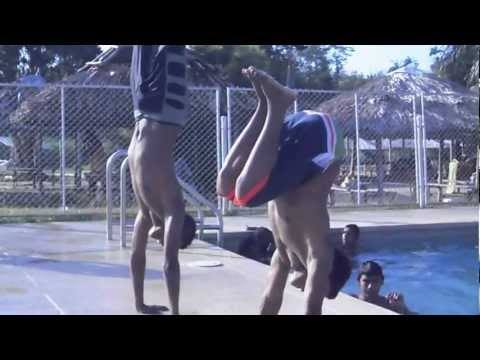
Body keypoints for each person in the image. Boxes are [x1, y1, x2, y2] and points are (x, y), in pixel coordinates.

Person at [217, 67, 346, 315]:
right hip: (324, 140)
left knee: (226, 185)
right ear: (326, 278)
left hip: (307, 133)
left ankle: (265, 106)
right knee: (245, 193)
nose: (303, 289)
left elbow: (270, 298)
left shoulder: (283, 254)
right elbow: (312, 308)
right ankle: (278, 104)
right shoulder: (319, 256)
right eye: (320, 287)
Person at [127, 45, 189, 315]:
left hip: (142, 109)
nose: (161, 242)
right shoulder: (174, 205)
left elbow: (136, 255)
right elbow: (170, 265)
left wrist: (141, 304)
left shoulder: (146, 211)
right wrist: (176, 312)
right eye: (166, 240)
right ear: (176, 229)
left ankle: (139, 305)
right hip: (166, 105)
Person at [290, 224, 360, 291]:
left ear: (356, 237)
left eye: (349, 233)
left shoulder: (360, 255)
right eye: (344, 233)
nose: (345, 236)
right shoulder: (335, 251)